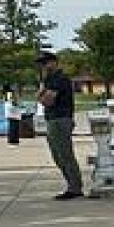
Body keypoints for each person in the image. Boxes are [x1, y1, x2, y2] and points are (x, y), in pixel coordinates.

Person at [36, 52, 83, 199]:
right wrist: (42, 92)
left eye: (46, 63)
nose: (43, 66)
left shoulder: (59, 79)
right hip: (53, 119)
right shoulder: (49, 80)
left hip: (60, 119)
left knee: (65, 154)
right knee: (57, 155)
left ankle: (75, 187)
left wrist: (41, 95)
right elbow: (42, 97)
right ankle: (72, 184)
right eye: (41, 64)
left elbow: (47, 100)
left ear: (54, 62)